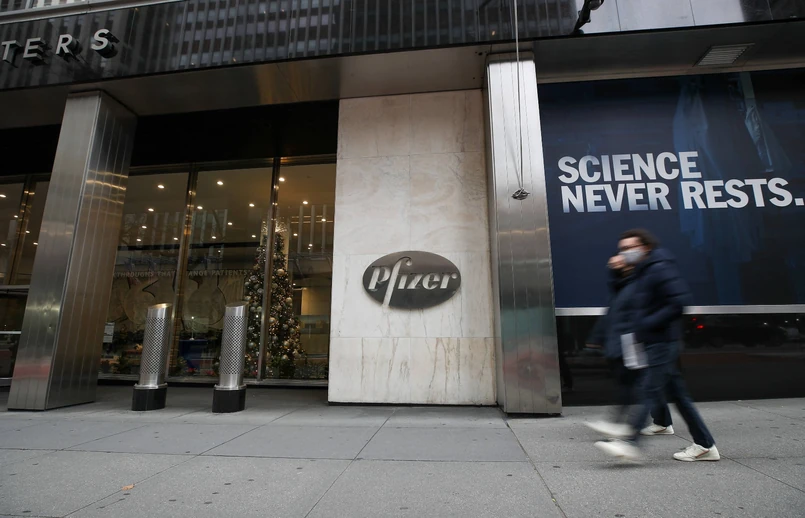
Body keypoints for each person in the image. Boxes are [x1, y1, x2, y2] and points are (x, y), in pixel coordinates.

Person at [592, 229, 720, 462]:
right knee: (678, 396)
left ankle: (631, 443)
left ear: (645, 247)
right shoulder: (642, 271)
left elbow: (679, 302)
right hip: (651, 340)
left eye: (630, 247)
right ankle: (705, 444)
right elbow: (621, 295)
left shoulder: (660, 268)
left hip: (662, 340)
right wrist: (615, 272)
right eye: (622, 248)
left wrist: (647, 323)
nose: (625, 252)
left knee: (649, 389)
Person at [585, 254, 674, 436]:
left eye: (622, 263)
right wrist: (597, 338)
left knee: (636, 384)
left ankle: (623, 426)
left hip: (633, 341)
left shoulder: (639, 282)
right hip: (626, 340)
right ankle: (661, 422)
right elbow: (612, 313)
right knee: (640, 383)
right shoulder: (622, 286)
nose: (617, 264)